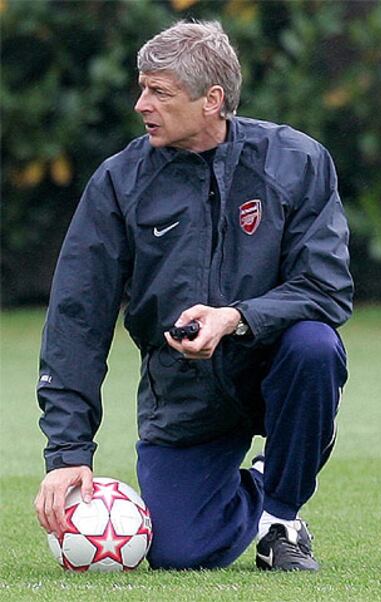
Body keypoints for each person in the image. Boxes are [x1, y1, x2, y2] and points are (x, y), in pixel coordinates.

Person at [34, 20, 353, 572]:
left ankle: (281, 516)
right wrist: (68, 452)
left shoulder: (295, 161)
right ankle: (258, 481)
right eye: (141, 88)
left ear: (213, 99)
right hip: (183, 397)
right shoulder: (120, 183)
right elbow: (76, 318)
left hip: (274, 368)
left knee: (314, 346)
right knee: (182, 553)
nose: (141, 105)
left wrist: (236, 318)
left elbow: (327, 288)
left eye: (159, 91)